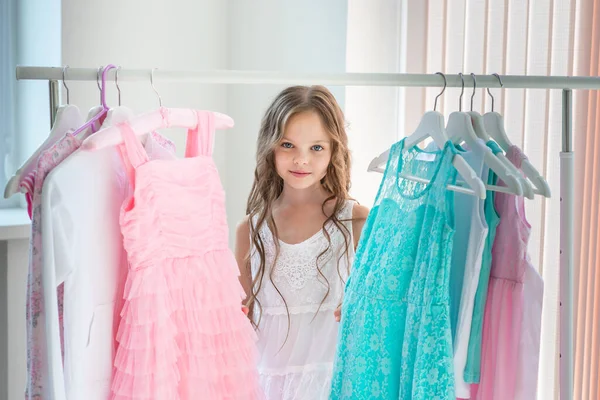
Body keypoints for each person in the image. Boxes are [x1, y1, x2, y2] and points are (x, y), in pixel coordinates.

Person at [235, 85, 369, 400]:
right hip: (265, 386)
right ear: (270, 146)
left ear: (335, 150)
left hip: (334, 383)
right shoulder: (251, 230)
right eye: (288, 144)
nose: (301, 159)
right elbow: (241, 320)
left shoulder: (356, 221)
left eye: (316, 148)